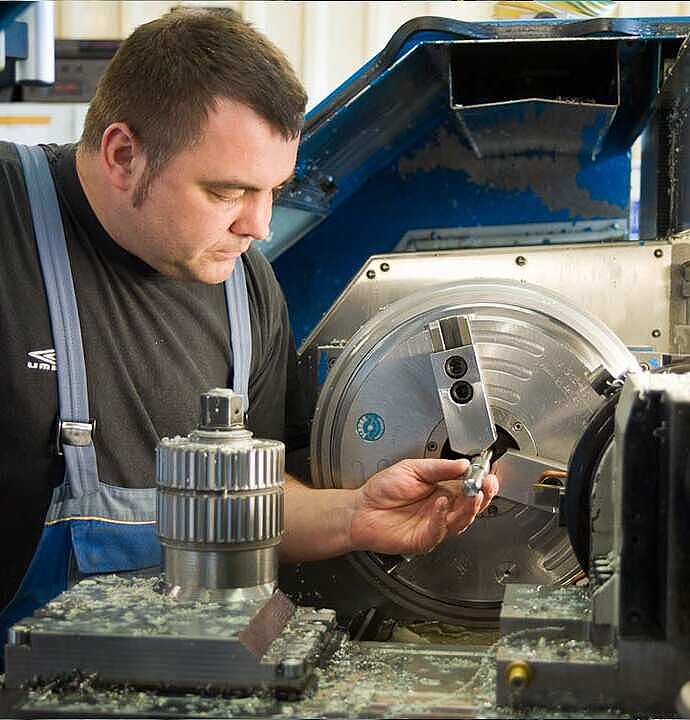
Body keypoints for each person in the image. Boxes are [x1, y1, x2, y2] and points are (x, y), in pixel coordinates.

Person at [0, 8, 498, 639]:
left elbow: (252, 505)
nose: (257, 226)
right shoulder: (11, 220)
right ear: (123, 155)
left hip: (174, 670)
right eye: (227, 192)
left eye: (274, 192)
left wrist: (353, 516)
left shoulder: (247, 287)